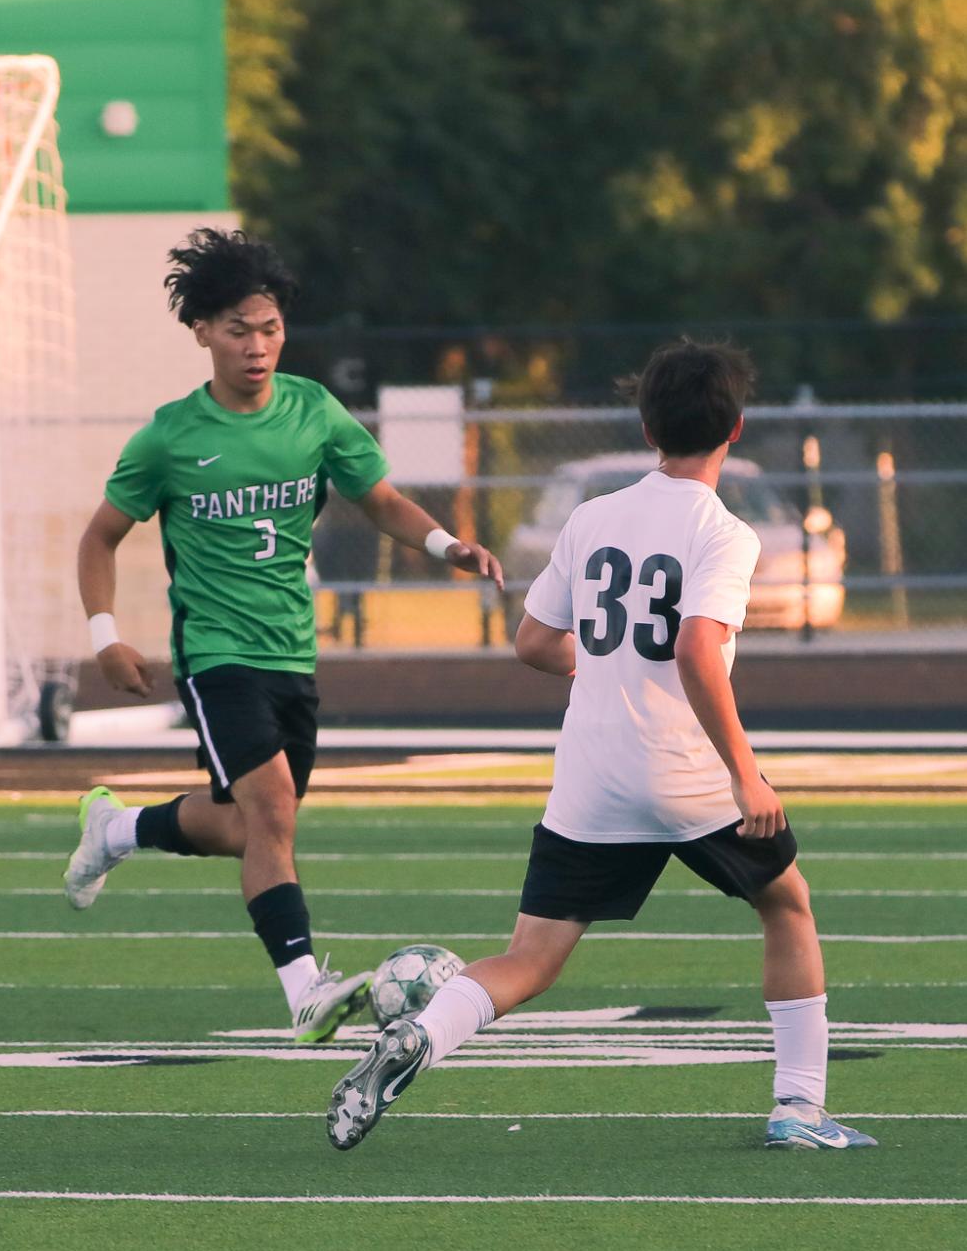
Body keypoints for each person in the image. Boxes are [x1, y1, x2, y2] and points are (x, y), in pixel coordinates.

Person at [328, 337, 877, 1148]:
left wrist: (609, 664)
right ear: (735, 428)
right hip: (683, 772)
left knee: (530, 959)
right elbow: (695, 650)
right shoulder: (724, 531)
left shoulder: (593, 516)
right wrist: (745, 776)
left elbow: (533, 642)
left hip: (591, 776)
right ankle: (798, 1107)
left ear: (646, 426)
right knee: (785, 904)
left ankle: (423, 1034)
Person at [65, 226, 504, 1042]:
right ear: (201, 331)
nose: (258, 346)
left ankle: (117, 827)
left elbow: (378, 498)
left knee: (249, 826)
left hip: (289, 653)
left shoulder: (313, 410)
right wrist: (106, 636)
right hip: (215, 654)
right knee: (269, 808)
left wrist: (448, 545)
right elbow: (99, 537)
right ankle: (305, 989)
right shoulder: (169, 436)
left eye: (269, 329)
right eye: (238, 330)